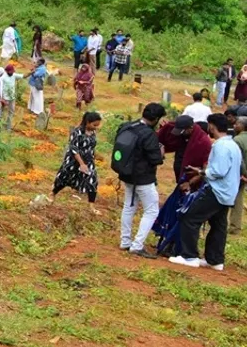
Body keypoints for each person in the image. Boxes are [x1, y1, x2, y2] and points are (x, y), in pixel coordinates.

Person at [169, 113, 241, 271]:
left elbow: (218, 171)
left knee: (189, 218)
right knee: (218, 225)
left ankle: (189, 256)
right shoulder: (233, 145)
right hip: (228, 192)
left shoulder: (220, 146)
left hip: (217, 190)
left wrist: (201, 172)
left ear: (212, 126)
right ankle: (215, 260)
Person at [115, 103, 166, 258]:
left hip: (127, 174)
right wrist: (161, 151)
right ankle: (137, 245)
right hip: (143, 178)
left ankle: (125, 241)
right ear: (156, 119)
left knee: (128, 206)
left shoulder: (127, 126)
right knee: (152, 210)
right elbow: (156, 159)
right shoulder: (149, 134)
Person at [52, 112, 103, 206]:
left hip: (88, 160)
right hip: (74, 160)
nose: (96, 127)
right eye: (94, 125)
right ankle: (53, 194)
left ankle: (91, 206)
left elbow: (91, 147)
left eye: (97, 125)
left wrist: (94, 157)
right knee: (65, 177)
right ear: (87, 122)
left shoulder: (93, 132)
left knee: (92, 180)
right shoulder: (77, 132)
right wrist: (81, 164)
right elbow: (74, 149)